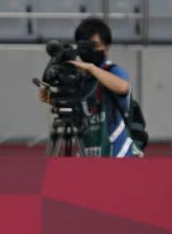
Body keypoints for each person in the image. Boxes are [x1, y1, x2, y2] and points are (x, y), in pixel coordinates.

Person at [38, 17, 141, 157]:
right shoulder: (81, 78)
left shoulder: (113, 71)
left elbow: (123, 87)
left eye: (95, 45)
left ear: (107, 46)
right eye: (85, 45)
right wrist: (51, 98)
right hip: (90, 154)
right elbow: (80, 109)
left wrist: (92, 68)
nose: (91, 50)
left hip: (116, 156)